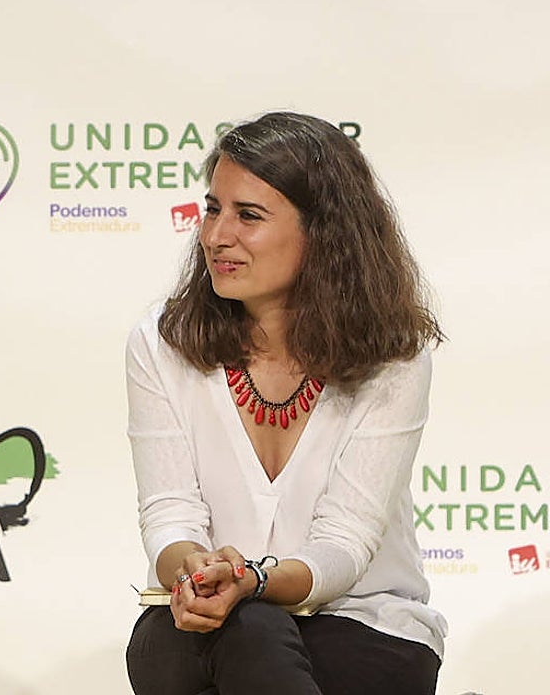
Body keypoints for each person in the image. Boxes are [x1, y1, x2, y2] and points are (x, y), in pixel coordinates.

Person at [125, 112, 446, 695]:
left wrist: (254, 579)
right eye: (214, 208)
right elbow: (168, 513)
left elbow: (345, 541)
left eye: (248, 215)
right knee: (230, 634)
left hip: (361, 623)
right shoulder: (161, 343)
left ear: (324, 233)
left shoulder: (394, 358)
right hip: (199, 625)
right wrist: (197, 570)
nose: (217, 235)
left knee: (258, 633)